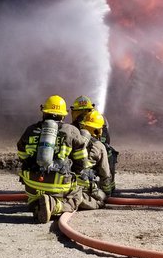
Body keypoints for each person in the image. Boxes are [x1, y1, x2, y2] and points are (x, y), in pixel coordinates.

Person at [16, 94, 101, 224]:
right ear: (63, 115)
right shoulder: (71, 131)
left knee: (35, 196)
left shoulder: (30, 130)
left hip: (32, 184)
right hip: (58, 185)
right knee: (76, 196)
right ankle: (54, 205)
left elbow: (22, 157)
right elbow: (81, 163)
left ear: (43, 112)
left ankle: (37, 202)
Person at [71, 95, 118, 179]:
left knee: (109, 151)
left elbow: (105, 143)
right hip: (74, 166)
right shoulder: (71, 128)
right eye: (79, 112)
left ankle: (109, 183)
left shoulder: (99, 125)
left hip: (92, 161)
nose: (82, 115)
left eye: (86, 111)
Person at [77, 108, 115, 200]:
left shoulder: (75, 138)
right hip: (85, 187)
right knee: (99, 201)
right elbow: (105, 173)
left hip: (68, 184)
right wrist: (107, 194)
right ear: (98, 130)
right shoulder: (99, 146)